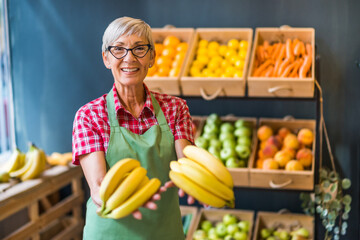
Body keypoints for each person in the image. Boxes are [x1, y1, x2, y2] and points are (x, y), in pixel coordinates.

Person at [72, 16, 195, 240]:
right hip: (109, 232)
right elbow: (99, 186)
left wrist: (196, 182)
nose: (129, 58)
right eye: (118, 49)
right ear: (106, 58)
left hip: (164, 232)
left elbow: (186, 164)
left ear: (152, 57)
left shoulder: (176, 109)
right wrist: (130, 199)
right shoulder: (89, 116)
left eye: (139, 48)